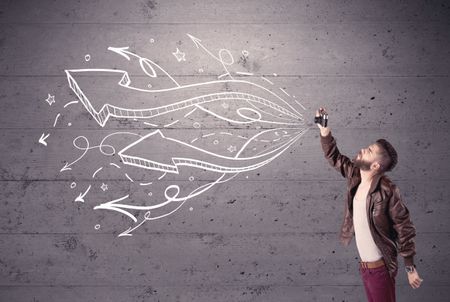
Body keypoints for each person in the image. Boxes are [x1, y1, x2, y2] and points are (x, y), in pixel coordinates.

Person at [315, 107, 423, 301]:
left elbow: (404, 227)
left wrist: (410, 267)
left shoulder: (388, 190)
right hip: (366, 268)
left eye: (370, 151)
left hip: (380, 269)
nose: (364, 149)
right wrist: (324, 130)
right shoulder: (355, 176)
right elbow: (334, 157)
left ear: (375, 166)